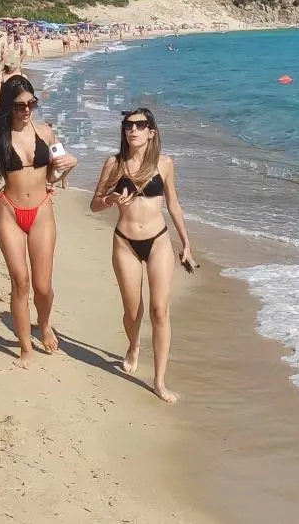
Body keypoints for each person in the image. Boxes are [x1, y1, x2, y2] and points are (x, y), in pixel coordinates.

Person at [90, 108, 197, 403]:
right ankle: (134, 344)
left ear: (151, 132)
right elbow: (95, 205)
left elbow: (174, 205)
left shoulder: (165, 164)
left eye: (139, 125)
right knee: (133, 312)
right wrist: (112, 198)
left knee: (160, 311)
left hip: (158, 241)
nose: (132, 130)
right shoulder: (114, 163)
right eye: (128, 125)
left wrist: (186, 244)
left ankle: (160, 381)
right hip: (125, 242)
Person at [0, 75, 66, 364]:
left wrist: (68, 167)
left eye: (31, 103)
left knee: (42, 285)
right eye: (19, 106)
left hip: (41, 211)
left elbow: (58, 172)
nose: (26, 110)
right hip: (10, 211)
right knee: (20, 281)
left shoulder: (47, 134)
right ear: (8, 107)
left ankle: (45, 324)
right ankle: (25, 347)